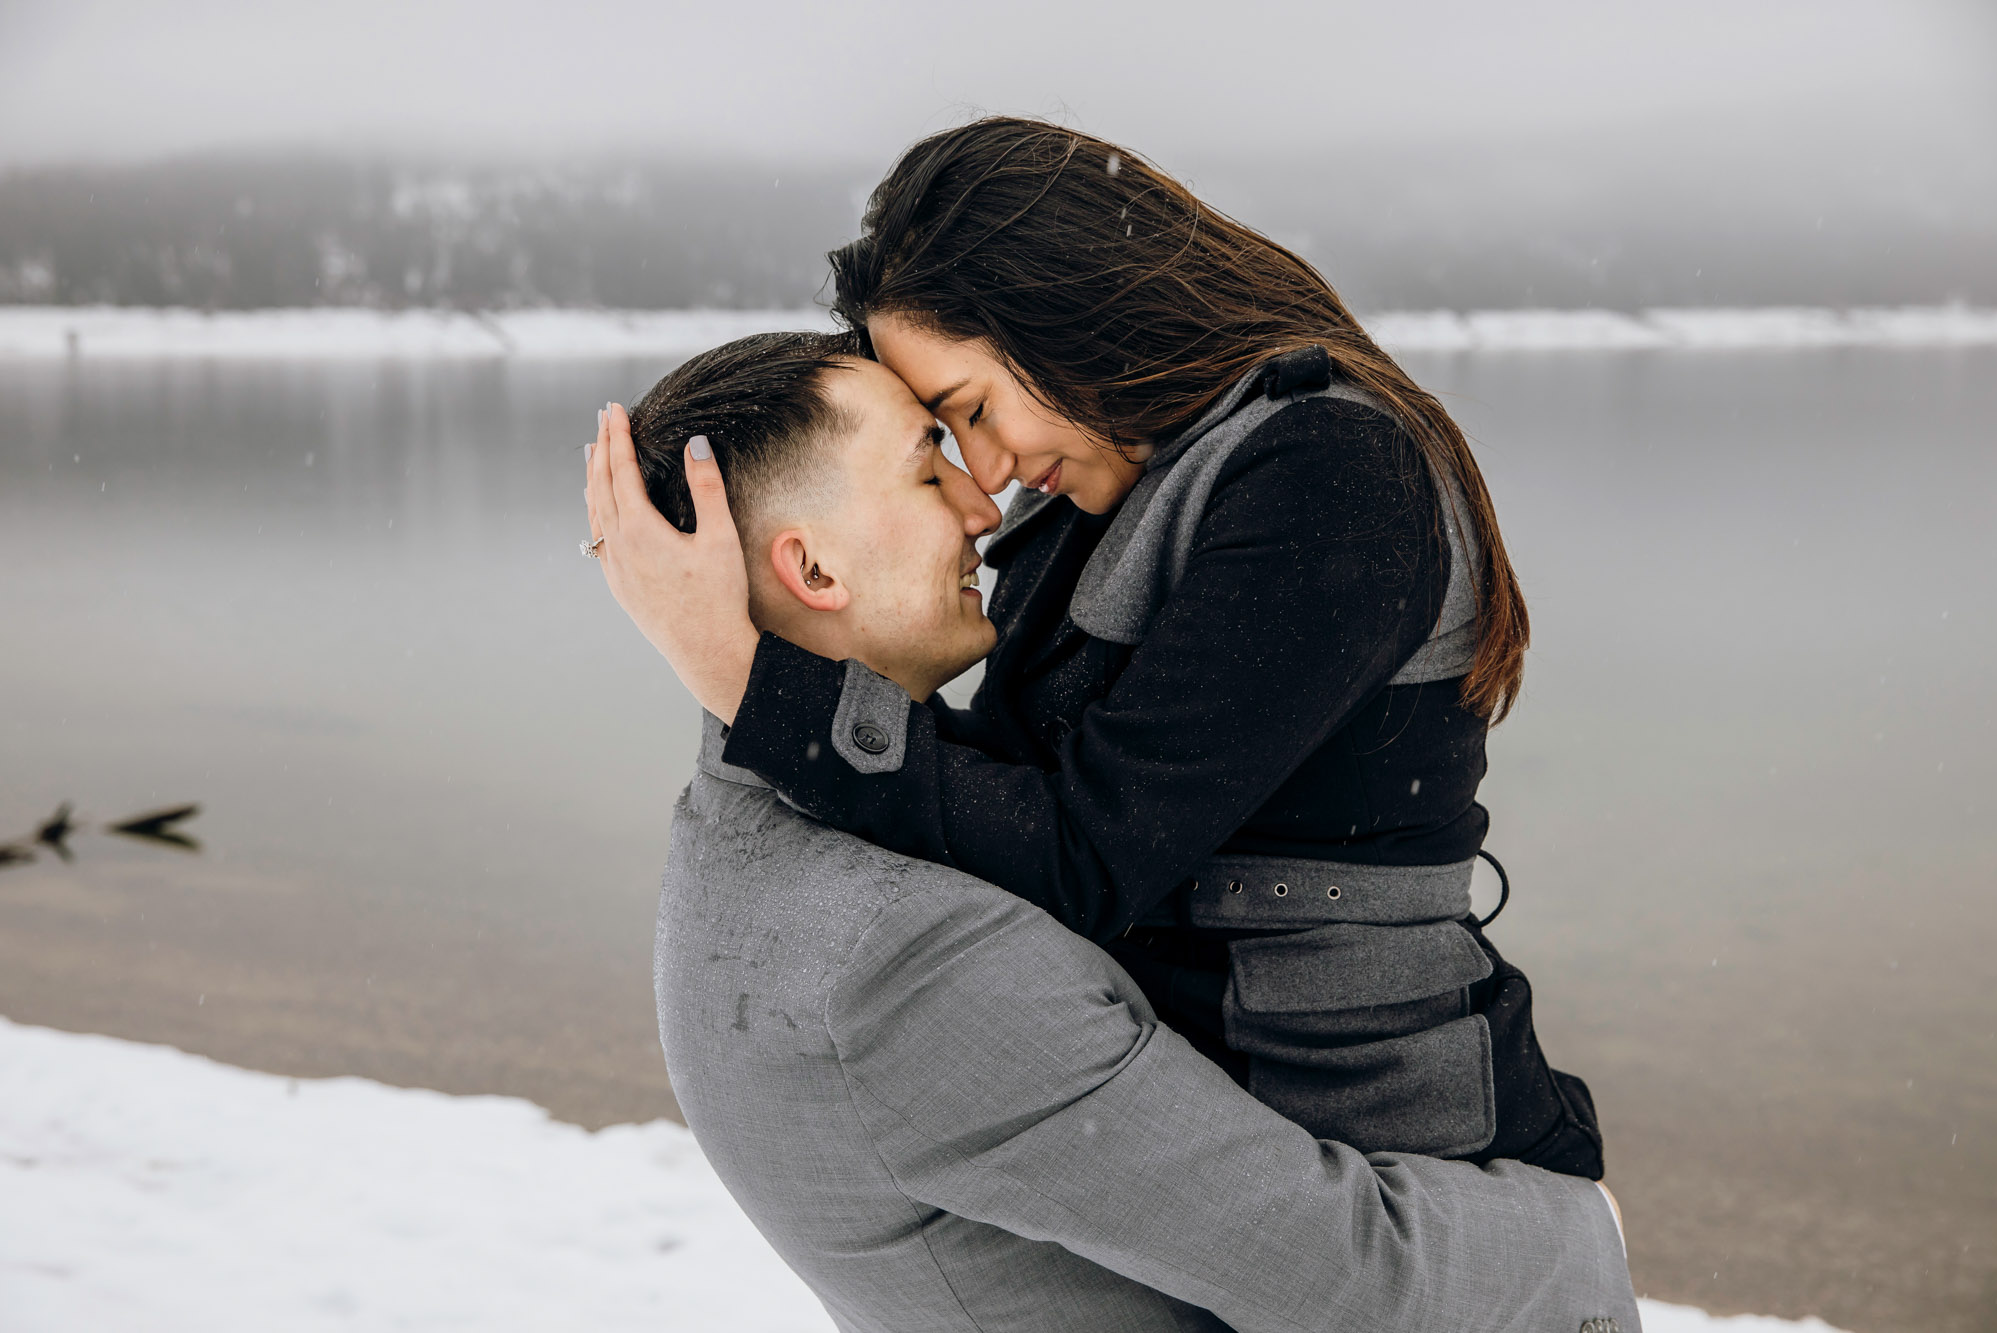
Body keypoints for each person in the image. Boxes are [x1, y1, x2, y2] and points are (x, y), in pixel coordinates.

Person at [587, 118, 1601, 1176]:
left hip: (1396, 1151)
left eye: (972, 410)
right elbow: (1014, 784)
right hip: (1233, 1132)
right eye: (943, 439)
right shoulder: (1102, 490)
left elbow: (1083, 854)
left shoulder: (1326, 469)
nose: (987, 476)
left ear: (1066, 317)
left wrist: (757, 684)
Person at [591, 330, 1635, 1333]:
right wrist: (1579, 1228)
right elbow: (1360, 1284)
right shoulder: (908, 961)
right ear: (814, 571)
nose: (981, 508)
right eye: (927, 470)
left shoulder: (739, 832)